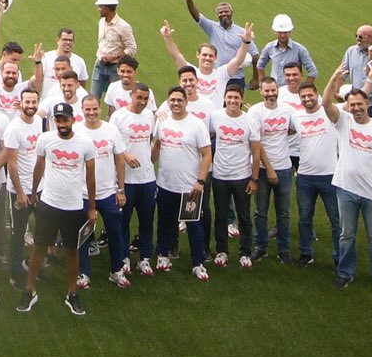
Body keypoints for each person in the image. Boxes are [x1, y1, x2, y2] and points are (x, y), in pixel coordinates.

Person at [17, 102, 98, 316]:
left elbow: (90, 177)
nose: (62, 124)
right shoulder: (45, 140)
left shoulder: (86, 143)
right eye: (58, 120)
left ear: (73, 120)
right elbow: (39, 166)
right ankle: (30, 289)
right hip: (49, 204)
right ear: (54, 121)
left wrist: (92, 207)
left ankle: (72, 292)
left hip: (73, 206)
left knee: (72, 251)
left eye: (65, 119)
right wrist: (34, 192)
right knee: (39, 247)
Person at [324, 65, 372, 291]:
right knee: (347, 235)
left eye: (359, 104)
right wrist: (334, 78)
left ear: (368, 105)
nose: (356, 108)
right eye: (352, 104)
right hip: (346, 189)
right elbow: (325, 104)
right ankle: (345, 273)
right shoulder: (343, 121)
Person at [153, 86, 213, 280]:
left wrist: (200, 182)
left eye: (180, 100)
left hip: (189, 188)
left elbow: (206, 155)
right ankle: (163, 255)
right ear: (168, 101)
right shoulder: (162, 122)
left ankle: (198, 263)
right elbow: (157, 145)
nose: (176, 103)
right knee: (165, 222)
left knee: (194, 226)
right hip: (165, 184)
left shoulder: (196, 124)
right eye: (173, 100)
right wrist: (147, 166)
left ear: (186, 102)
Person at [206, 83, 262, 270]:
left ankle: (245, 252)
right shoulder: (215, 117)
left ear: (242, 99)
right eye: (229, 97)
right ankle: (222, 250)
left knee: (244, 216)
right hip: (220, 175)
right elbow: (207, 137)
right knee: (221, 216)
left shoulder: (249, 121)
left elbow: (256, 152)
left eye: (236, 98)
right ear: (224, 98)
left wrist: (254, 179)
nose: (232, 101)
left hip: (242, 176)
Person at [77, 94, 129, 288]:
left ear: (100, 109)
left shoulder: (111, 130)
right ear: (82, 110)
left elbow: (120, 160)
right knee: (82, 235)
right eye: (87, 109)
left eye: (94, 109)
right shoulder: (76, 131)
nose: (91, 113)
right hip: (82, 193)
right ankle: (84, 273)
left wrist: (121, 189)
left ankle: (116, 270)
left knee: (116, 232)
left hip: (108, 192)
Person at [287, 82, 341, 267]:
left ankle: (339, 256)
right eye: (303, 97)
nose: (307, 99)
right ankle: (305, 253)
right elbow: (283, 130)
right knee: (304, 219)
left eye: (310, 95)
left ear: (317, 94)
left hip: (331, 176)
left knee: (336, 219)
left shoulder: (331, 112)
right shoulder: (296, 116)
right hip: (305, 176)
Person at [110, 83, 160, 276]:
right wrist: (125, 156)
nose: (142, 102)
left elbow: (155, 142)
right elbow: (112, 147)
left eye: (146, 99)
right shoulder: (118, 117)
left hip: (147, 179)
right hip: (126, 181)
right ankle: (123, 258)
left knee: (147, 221)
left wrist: (148, 162)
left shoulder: (149, 116)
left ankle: (145, 258)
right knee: (123, 222)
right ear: (131, 96)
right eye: (139, 98)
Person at [247, 75, 298, 263]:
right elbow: (257, 143)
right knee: (261, 211)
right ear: (261, 92)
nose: (270, 94)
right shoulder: (255, 112)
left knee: (283, 213)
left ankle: (283, 249)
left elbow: (293, 129)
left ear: (278, 90)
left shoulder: (287, 110)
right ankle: (260, 247)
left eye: (273, 90)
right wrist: (269, 169)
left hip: (284, 168)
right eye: (266, 91)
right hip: (262, 169)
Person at [0, 87, 46, 278]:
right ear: (20, 103)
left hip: (39, 187)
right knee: (18, 232)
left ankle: (35, 265)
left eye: (34, 102)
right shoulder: (14, 128)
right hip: (20, 189)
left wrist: (39, 187)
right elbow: (11, 163)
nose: (31, 106)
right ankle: (16, 268)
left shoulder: (38, 122)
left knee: (42, 231)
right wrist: (20, 193)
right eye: (27, 102)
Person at [182, 0, 256, 72]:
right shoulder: (212, 28)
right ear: (217, 14)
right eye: (220, 12)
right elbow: (197, 16)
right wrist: (189, 1)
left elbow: (255, 54)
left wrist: (255, 77)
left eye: (226, 11)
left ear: (231, 13)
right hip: (217, 75)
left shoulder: (242, 32)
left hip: (236, 77)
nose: (224, 14)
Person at [92, 0, 138, 100]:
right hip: (99, 65)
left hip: (115, 69)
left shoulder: (123, 26)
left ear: (107, 8)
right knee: (93, 98)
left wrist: (113, 56)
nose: (98, 9)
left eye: (100, 6)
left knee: (115, 100)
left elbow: (132, 48)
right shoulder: (101, 22)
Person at [340, 24, 372, 123]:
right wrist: (336, 92)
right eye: (356, 36)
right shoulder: (351, 51)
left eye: (361, 37)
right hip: (356, 102)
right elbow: (342, 73)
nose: (358, 39)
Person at [253, 14, 317, 87]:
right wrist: (264, 83)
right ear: (275, 31)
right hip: (275, 91)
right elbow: (260, 65)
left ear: (290, 32)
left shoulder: (300, 49)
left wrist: (305, 88)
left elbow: (313, 71)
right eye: (280, 32)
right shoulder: (269, 47)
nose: (282, 35)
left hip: (292, 91)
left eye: (285, 32)